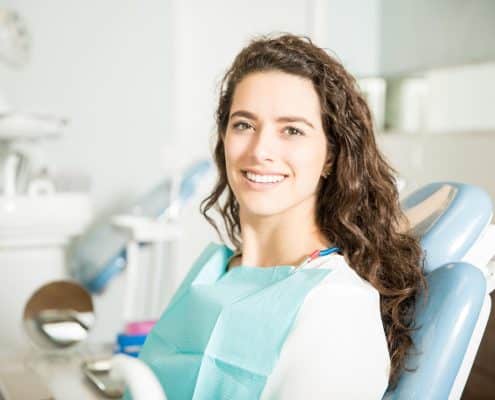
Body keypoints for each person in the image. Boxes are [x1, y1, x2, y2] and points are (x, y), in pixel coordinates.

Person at [134, 32, 427, 400]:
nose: (260, 150)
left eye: (292, 130)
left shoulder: (334, 307)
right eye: (244, 124)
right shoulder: (218, 272)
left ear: (331, 156)